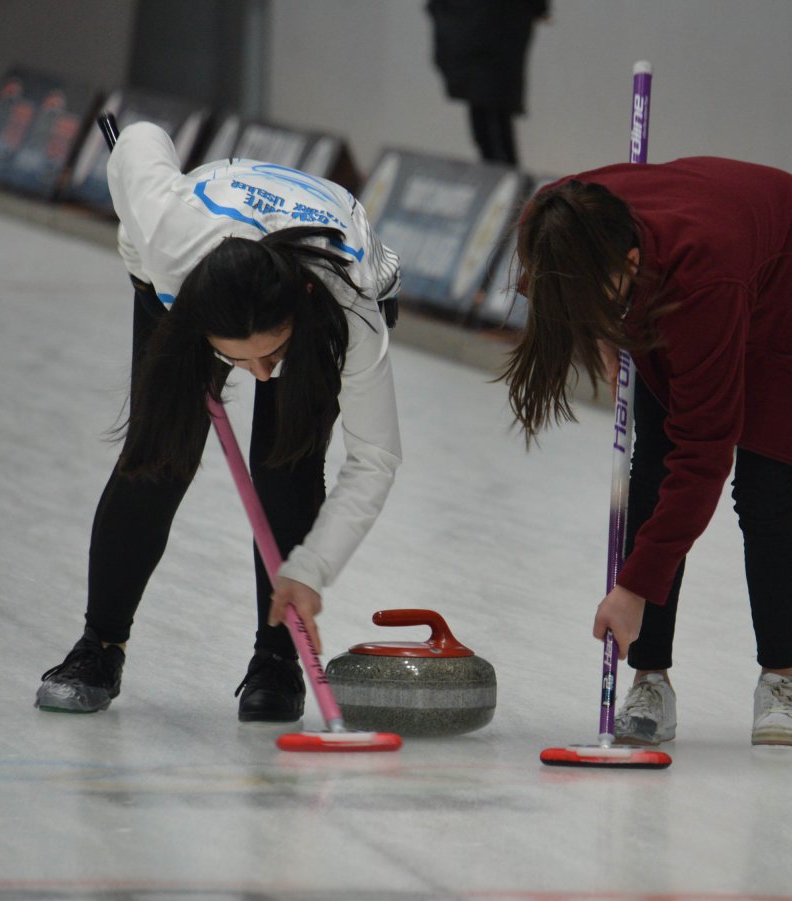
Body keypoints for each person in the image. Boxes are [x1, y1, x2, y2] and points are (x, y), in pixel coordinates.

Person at [36, 121, 402, 722]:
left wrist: (310, 569)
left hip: (329, 286)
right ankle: (100, 646)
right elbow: (140, 138)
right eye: (238, 357)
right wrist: (144, 273)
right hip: (183, 276)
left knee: (287, 468)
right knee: (158, 456)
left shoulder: (347, 309)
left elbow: (376, 458)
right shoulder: (168, 237)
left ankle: (277, 660)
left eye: (272, 354)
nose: (259, 374)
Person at [502, 156, 792, 748]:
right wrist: (600, 323)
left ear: (628, 262)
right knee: (648, 469)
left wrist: (632, 589)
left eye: (598, 296)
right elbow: (561, 284)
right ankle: (650, 678)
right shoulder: (554, 219)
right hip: (697, 261)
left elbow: (702, 454)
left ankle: (781, 683)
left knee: (763, 487)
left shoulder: (704, 283)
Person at [426, 0, 549, 166]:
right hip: (487, 29)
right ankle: (506, 179)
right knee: (489, 118)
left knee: (490, 119)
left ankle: (507, 180)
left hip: (487, 29)